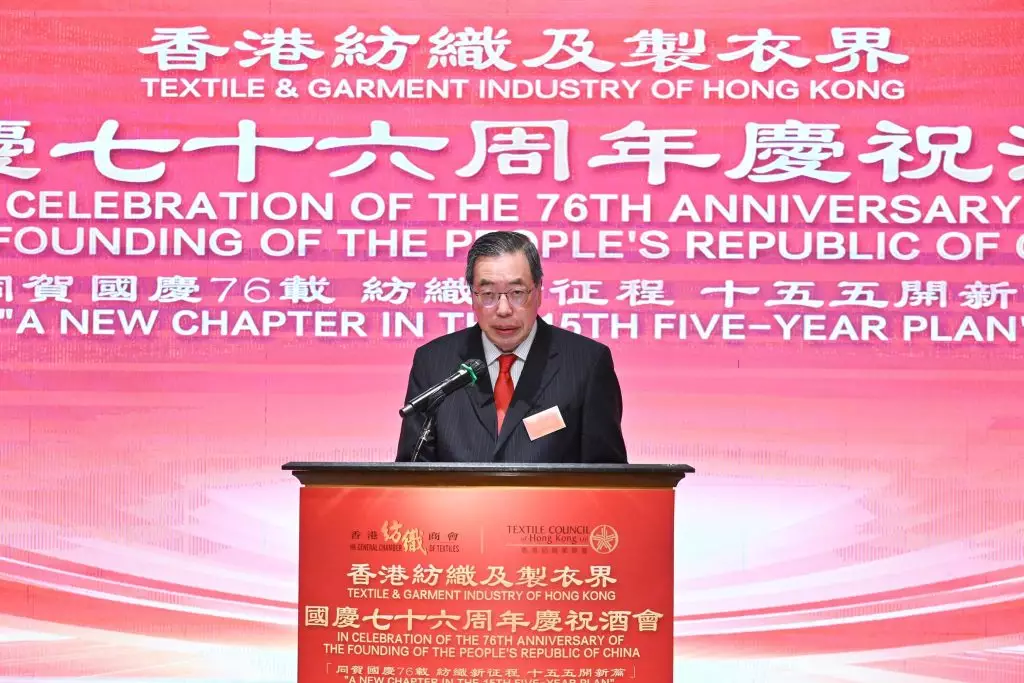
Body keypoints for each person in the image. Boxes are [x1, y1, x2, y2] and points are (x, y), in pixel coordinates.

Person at [395, 231, 628, 463]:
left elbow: (607, 475)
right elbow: (410, 472)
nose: (504, 309)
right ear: (472, 296)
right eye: (488, 294)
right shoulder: (433, 363)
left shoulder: (586, 364)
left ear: (538, 291)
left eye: (517, 293)